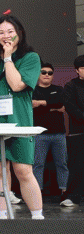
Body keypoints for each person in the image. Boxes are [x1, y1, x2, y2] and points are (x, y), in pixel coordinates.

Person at [0, 14, 43, 219]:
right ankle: (2, 219)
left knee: (23, 170)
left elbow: (17, 85)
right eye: (1, 32)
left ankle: (38, 217)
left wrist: (8, 58)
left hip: (19, 120)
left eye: (10, 31)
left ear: (20, 33)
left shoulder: (30, 58)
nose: (6, 36)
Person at [32, 62, 69, 205]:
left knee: (62, 164)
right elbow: (32, 106)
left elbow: (61, 103)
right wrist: (52, 107)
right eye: (43, 72)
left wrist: (41, 103)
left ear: (53, 76)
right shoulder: (33, 90)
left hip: (59, 133)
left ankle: (65, 192)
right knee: (38, 164)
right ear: (38, 74)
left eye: (50, 73)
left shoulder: (59, 89)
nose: (47, 75)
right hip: (39, 133)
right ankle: (37, 193)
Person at [62, 55, 84, 206]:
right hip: (78, 132)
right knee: (77, 165)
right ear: (77, 70)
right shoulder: (71, 86)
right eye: (83, 68)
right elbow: (70, 106)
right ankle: (73, 196)